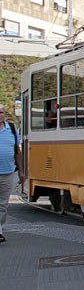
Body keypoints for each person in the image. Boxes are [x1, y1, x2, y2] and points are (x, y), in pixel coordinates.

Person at [0, 105, 25, 244]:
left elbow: (18, 152)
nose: (0, 115)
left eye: (2, 112)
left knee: (3, 205)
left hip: (7, 172)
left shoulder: (12, 129)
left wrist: (21, 171)